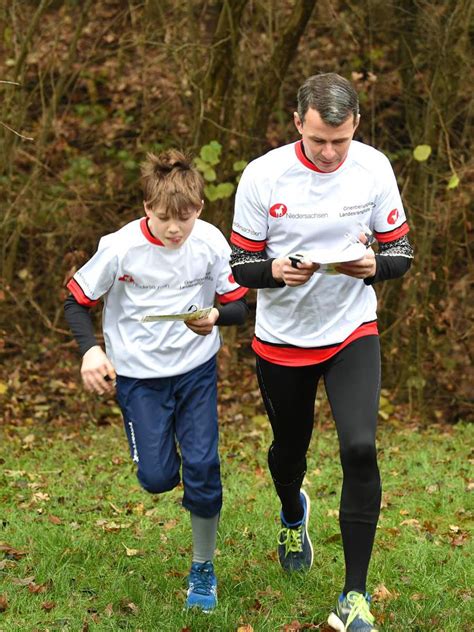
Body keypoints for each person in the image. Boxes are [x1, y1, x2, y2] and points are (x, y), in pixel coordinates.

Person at [230, 72, 413, 631]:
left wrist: (375, 265)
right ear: (297, 124)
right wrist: (274, 272)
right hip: (283, 339)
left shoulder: (374, 167)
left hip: (352, 329)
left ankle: (353, 595)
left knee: (359, 447)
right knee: (290, 452)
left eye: (341, 140)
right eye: (318, 141)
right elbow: (240, 266)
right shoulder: (263, 175)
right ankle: (293, 513)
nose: (330, 152)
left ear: (356, 124)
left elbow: (402, 252)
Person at [64, 149, 249, 613]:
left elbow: (239, 306)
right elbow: (76, 301)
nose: (174, 229)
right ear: (147, 207)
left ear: (199, 208)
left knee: (203, 467)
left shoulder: (209, 241)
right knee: (157, 477)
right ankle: (163, 460)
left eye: (184, 218)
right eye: (164, 218)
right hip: (139, 380)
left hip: (196, 373)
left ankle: (202, 569)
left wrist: (216, 316)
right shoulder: (120, 247)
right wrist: (90, 350)